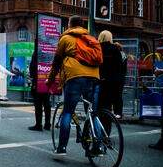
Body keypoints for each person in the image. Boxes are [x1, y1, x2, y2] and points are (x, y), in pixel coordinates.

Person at [45, 15, 101, 156]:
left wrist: (50, 80)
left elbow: (56, 63)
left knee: (68, 111)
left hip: (75, 77)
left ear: (70, 25)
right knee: (93, 113)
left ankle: (62, 147)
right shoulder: (91, 39)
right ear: (82, 26)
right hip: (94, 77)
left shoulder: (65, 39)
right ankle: (98, 147)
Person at [97, 31, 123, 114]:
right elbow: (119, 64)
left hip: (99, 79)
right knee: (108, 104)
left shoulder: (98, 48)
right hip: (112, 80)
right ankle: (107, 124)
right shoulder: (114, 48)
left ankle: (98, 123)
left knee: (100, 103)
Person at [28, 50, 51, 131]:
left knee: (38, 104)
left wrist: (32, 76)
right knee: (47, 103)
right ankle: (47, 124)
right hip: (47, 79)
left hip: (38, 80)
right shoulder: (49, 52)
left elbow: (32, 65)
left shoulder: (37, 51)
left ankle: (38, 124)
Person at [113, 42, 128, 119]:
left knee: (117, 96)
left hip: (118, 79)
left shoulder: (121, 56)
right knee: (117, 96)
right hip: (119, 79)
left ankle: (118, 112)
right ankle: (117, 112)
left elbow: (122, 70)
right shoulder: (123, 56)